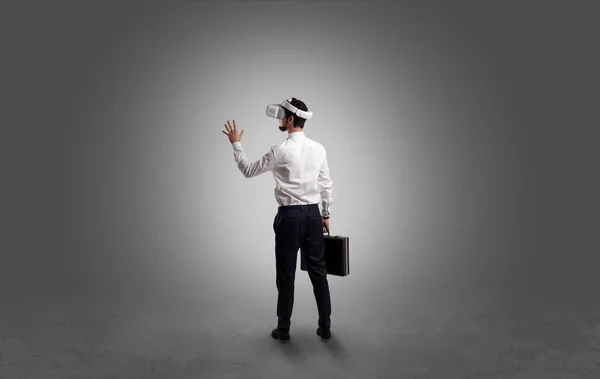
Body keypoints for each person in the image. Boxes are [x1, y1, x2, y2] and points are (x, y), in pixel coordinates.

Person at [222, 97, 333, 343]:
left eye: (282, 115)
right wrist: (325, 215)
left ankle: (283, 330)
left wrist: (236, 145)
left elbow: (248, 171)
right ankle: (325, 327)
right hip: (314, 216)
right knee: (319, 273)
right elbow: (325, 184)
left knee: (286, 275)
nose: (280, 119)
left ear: (290, 119)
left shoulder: (279, 150)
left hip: (289, 218)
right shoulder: (319, 148)